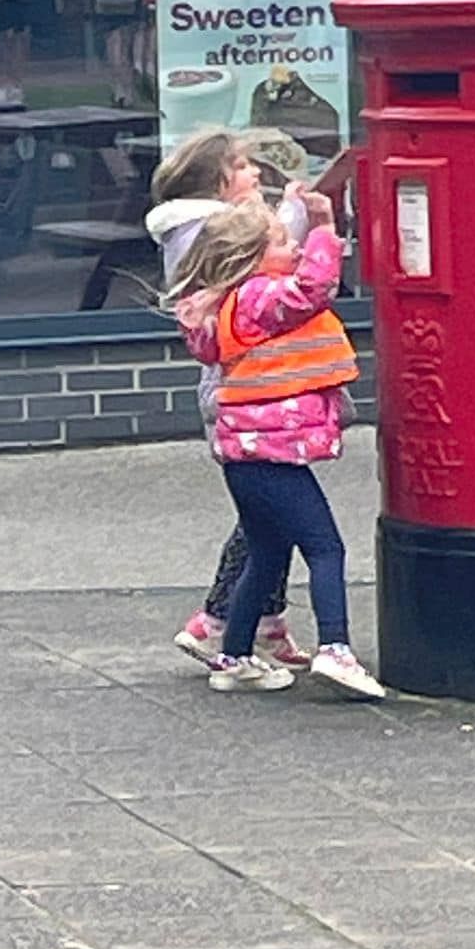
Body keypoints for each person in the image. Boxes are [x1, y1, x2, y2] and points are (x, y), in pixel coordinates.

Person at [170, 194, 384, 700]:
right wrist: (326, 228)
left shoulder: (226, 304)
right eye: (283, 242)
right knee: (326, 547)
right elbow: (313, 288)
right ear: (250, 258)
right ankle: (336, 648)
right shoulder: (258, 297)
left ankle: (235, 655)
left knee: (266, 553)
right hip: (273, 455)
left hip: (243, 456)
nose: (294, 248)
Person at [146, 127, 310, 670]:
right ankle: (217, 620)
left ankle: (264, 621)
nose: (255, 172)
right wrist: (296, 213)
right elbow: (264, 259)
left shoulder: (198, 225)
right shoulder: (207, 230)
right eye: (242, 166)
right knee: (270, 513)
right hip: (247, 389)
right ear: (216, 180)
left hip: (257, 387)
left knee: (272, 511)